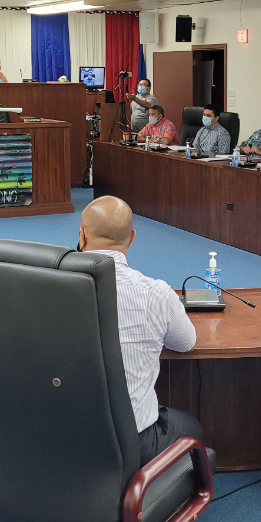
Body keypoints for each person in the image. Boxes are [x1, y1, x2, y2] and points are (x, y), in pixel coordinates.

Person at [77, 196, 200, 464]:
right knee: (191, 427)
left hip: (62, 435)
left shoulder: (47, 289)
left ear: (82, 235)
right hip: (132, 442)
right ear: (132, 238)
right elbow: (186, 342)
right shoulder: (155, 293)